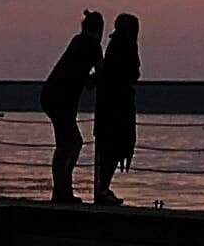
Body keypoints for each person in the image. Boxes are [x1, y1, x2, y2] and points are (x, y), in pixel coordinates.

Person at [42, 10, 103, 202]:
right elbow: (97, 77)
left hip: (51, 94)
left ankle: (61, 190)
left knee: (65, 144)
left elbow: (77, 72)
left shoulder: (77, 41)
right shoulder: (94, 46)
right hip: (63, 99)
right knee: (71, 143)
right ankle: (63, 190)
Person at [92, 13, 140, 206]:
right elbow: (132, 72)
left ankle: (102, 188)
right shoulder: (127, 46)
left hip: (109, 104)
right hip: (118, 106)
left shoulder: (115, 45)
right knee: (114, 147)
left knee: (109, 148)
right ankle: (103, 189)